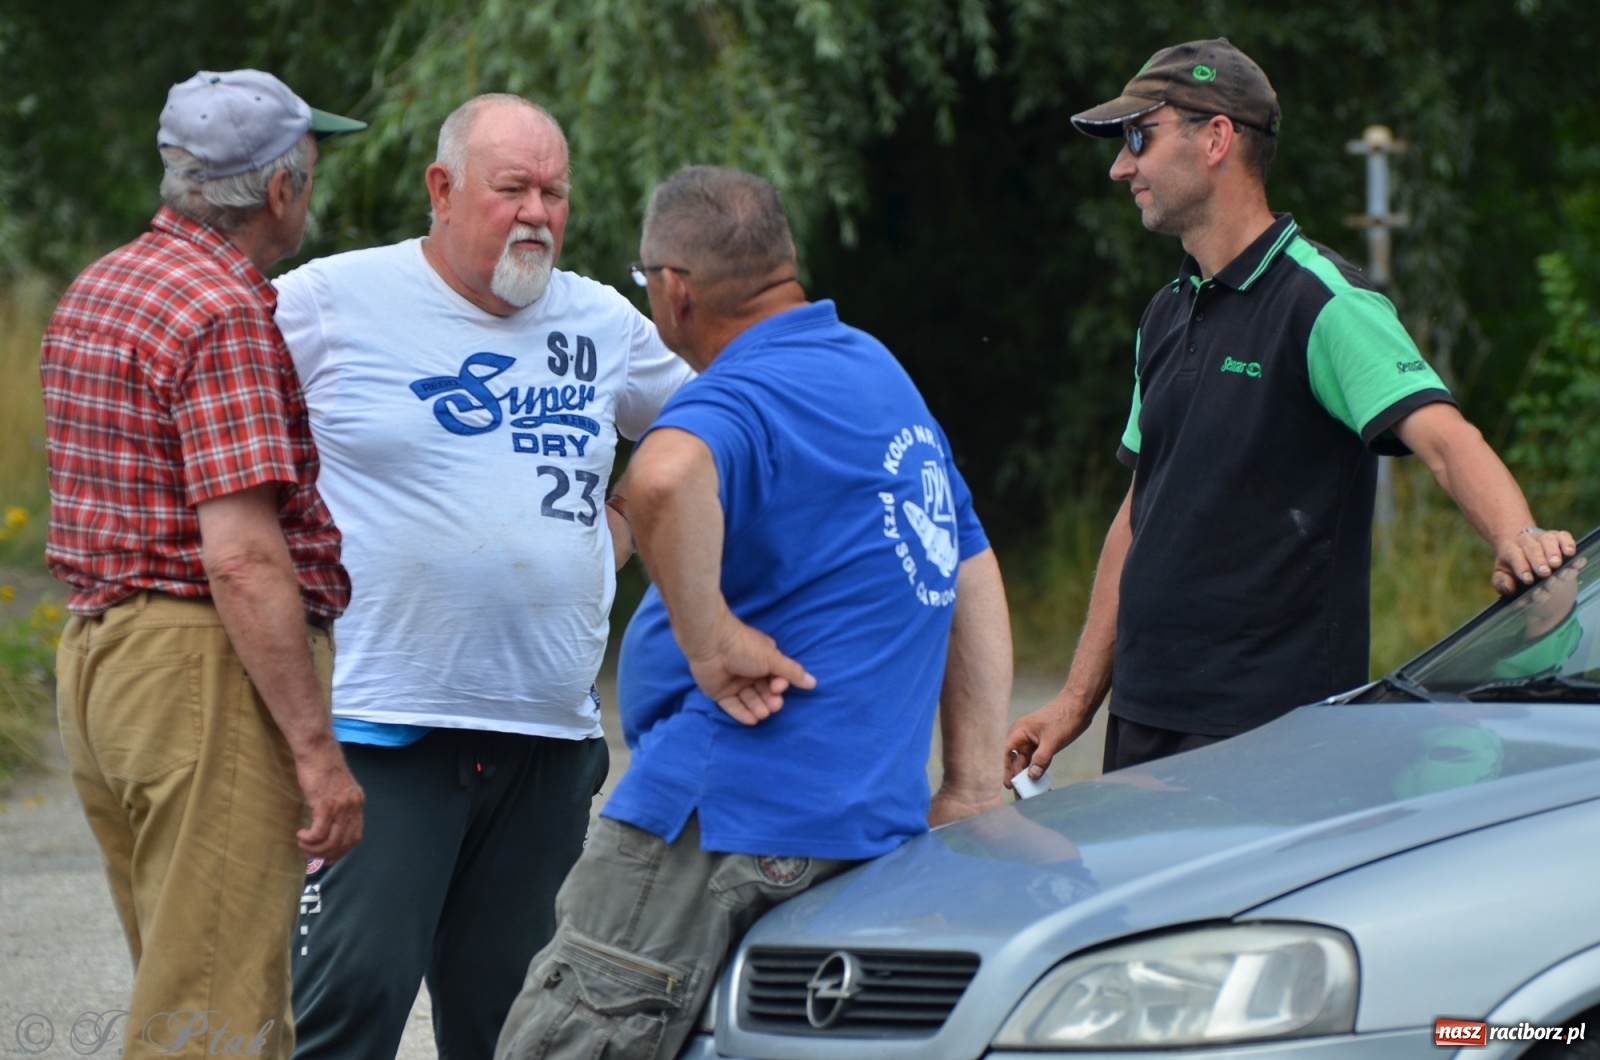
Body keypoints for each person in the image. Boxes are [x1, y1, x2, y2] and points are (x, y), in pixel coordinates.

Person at [495, 165, 1013, 1060]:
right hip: (860, 823)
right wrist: (969, 782)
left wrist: (711, 642)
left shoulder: (741, 391)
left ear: (675, 290)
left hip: (717, 821)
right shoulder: (876, 373)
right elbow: (968, 563)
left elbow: (660, 480)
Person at [1006, 38, 1576, 780]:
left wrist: (1520, 537)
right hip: (1146, 719)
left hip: (1271, 736)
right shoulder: (1164, 313)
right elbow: (1140, 511)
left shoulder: (1321, 300)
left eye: (1140, 136)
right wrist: (1077, 701)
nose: (1122, 166)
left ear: (1216, 138)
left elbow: (1443, 437)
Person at [273, 94, 693, 1060]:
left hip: (545, 736)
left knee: (518, 1023)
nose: (537, 213)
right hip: (384, 728)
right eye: (513, 189)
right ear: (443, 188)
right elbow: (215, 421)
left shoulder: (601, 320)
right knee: (347, 1005)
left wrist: (623, 522)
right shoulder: (331, 301)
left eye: (555, 192)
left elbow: (709, 427)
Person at [42, 70, 366, 1058]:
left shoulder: (107, 282)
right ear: (281, 189)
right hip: (199, 670)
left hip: (102, 662)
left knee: (185, 981)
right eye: (310, 169)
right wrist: (317, 751)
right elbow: (242, 560)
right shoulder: (222, 310)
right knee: (217, 1013)